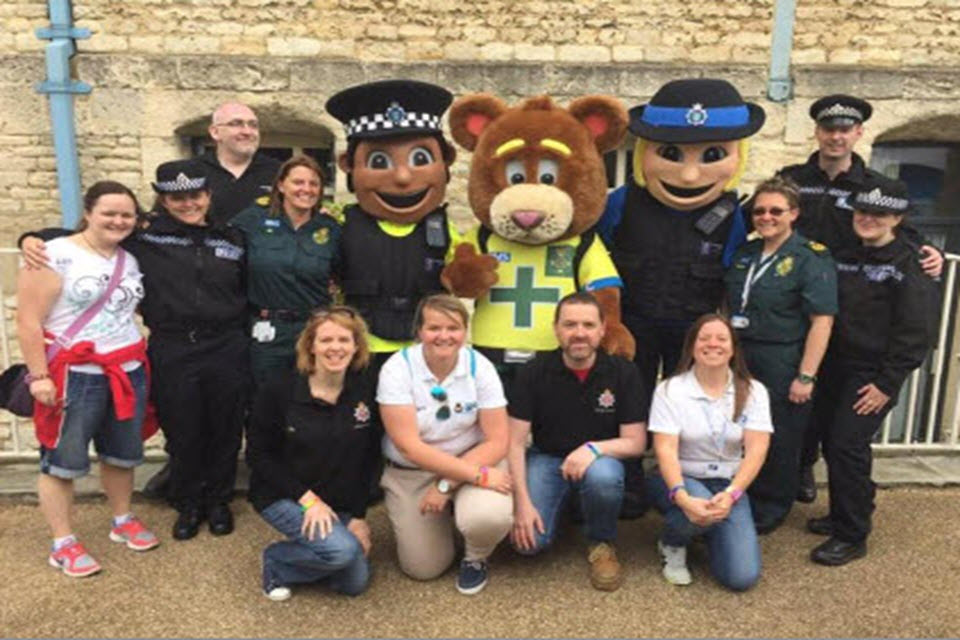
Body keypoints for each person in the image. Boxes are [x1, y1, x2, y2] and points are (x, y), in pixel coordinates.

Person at [19, 160, 251, 540]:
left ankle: (219, 501)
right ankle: (189, 501)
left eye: (195, 195)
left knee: (225, 427)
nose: (188, 204)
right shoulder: (144, 235)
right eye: (177, 197)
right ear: (162, 200)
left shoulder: (233, 238)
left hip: (226, 343)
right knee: (183, 427)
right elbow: (83, 234)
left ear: (208, 196)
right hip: (173, 345)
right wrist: (29, 237)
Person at [595, 78, 763, 518]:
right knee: (626, 405)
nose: (690, 174)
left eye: (710, 156)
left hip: (695, 331)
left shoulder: (732, 215)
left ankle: (675, 485)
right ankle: (629, 485)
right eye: (671, 154)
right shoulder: (621, 203)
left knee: (689, 409)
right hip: (634, 325)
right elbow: (589, 254)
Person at [777, 94, 943, 502]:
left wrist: (928, 251)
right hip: (793, 302)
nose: (836, 137)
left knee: (834, 414)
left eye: (844, 130)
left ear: (857, 134)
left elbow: (899, 228)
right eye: (829, 129)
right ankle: (799, 468)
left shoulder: (870, 188)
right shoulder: (792, 178)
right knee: (799, 399)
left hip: (844, 305)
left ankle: (845, 510)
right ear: (816, 132)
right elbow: (765, 212)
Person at [17, 181, 159, 577]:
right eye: (109, 213)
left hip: (126, 368)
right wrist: (38, 376)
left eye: (126, 215)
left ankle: (122, 518)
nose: (118, 221)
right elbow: (28, 321)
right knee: (62, 460)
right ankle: (62, 541)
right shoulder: (54, 255)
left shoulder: (129, 259)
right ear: (88, 213)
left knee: (121, 454)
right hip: (74, 373)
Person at [807, 176, 936, 566]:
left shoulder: (910, 263)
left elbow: (917, 333)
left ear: (897, 218)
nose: (868, 219)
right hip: (834, 367)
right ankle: (845, 511)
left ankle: (852, 533)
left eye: (879, 214)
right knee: (831, 442)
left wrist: (886, 384)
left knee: (847, 445)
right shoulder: (844, 253)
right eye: (863, 211)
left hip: (872, 374)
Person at [507, 292, 647, 592]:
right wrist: (522, 504)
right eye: (570, 324)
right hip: (547, 458)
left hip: (600, 461)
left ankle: (601, 541)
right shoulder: (533, 372)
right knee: (529, 547)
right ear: (556, 328)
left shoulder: (624, 372)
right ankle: (572, 506)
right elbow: (515, 443)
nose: (579, 333)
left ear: (602, 329)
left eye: (587, 324)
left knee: (604, 478)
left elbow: (635, 442)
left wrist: (593, 449)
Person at [377, 294, 513, 595]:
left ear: (465, 331)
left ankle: (476, 557)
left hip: (473, 460)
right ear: (419, 331)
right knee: (423, 568)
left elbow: (498, 440)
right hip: (413, 469)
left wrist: (447, 483)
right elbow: (410, 447)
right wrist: (463, 477)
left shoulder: (481, 367)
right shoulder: (397, 369)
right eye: (434, 328)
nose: (444, 336)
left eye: (453, 328)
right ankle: (441, 526)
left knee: (488, 517)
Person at [723, 177, 837, 533]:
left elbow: (822, 320)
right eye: (759, 211)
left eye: (776, 210)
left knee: (778, 433)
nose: (766, 217)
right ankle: (741, 491)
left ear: (794, 214)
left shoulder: (810, 257)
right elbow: (729, 304)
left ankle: (771, 505)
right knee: (739, 428)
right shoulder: (745, 254)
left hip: (782, 357)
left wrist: (806, 376)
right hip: (740, 355)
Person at [246, 306, 379, 601]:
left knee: (353, 584)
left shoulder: (364, 390)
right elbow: (258, 455)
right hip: (285, 495)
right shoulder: (279, 390)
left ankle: (331, 548)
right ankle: (278, 560)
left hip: (338, 501)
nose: (335, 348)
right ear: (311, 346)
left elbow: (368, 458)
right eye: (326, 340)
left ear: (356, 346)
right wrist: (308, 501)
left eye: (344, 340)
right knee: (343, 551)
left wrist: (359, 516)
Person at [646, 314, 772, 591]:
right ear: (692, 347)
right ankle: (673, 542)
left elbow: (756, 450)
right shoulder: (670, 390)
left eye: (721, 338)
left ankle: (706, 528)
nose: (712, 344)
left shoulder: (754, 391)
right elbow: (665, 449)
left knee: (741, 578)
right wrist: (681, 496)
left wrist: (732, 495)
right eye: (704, 338)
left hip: (728, 486)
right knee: (698, 501)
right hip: (681, 478)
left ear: (733, 348)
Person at [231, 154, 341, 386]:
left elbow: (344, 274)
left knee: (312, 398)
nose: (306, 189)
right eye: (298, 182)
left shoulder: (330, 229)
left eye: (314, 184)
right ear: (281, 185)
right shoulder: (252, 221)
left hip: (315, 329)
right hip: (267, 330)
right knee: (265, 403)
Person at [201, 101, 282, 225]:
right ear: (215, 132)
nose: (247, 132)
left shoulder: (279, 172)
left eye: (253, 125)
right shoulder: (193, 171)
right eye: (236, 124)